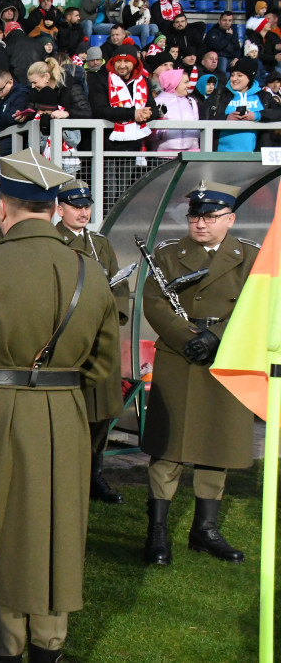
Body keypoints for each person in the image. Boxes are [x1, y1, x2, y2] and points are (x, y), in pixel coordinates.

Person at [0, 149, 119, 662]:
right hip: (65, 415)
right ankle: (49, 645)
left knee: (1, 534)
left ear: (4, 207)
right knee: (55, 532)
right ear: (54, 208)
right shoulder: (90, 271)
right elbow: (103, 368)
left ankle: (6, 649)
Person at [141, 181, 258, 566]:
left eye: (209, 217)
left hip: (225, 355)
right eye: (194, 216)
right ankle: (157, 531)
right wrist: (183, 336)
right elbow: (155, 302)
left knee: (216, 442)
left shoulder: (251, 257)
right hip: (179, 356)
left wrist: (216, 338)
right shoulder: (169, 254)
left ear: (230, 219)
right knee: (168, 445)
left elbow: (259, 307)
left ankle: (205, 530)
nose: (200, 224)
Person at [54, 180, 130, 505]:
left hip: (101, 339)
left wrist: (113, 319)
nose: (83, 211)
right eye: (75, 205)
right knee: (74, 412)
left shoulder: (99, 244)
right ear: (59, 208)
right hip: (69, 342)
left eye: (86, 205)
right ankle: (68, 475)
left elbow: (120, 289)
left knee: (101, 412)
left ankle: (93, 474)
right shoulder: (52, 242)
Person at [90, 43, 159, 152]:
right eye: (118, 61)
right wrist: (133, 113)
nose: (122, 66)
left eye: (126, 61)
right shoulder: (101, 80)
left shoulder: (144, 82)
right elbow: (100, 110)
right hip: (107, 146)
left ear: (134, 62)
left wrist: (146, 114)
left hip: (135, 144)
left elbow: (153, 109)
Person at [209, 58, 278, 151]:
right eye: (232, 75)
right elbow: (204, 116)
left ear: (250, 77)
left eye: (240, 75)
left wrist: (257, 115)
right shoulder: (220, 94)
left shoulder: (263, 96)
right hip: (219, 156)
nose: (234, 79)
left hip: (253, 157)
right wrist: (226, 118)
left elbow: (278, 112)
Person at [151, 69, 200, 151]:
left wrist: (195, 149)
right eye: (185, 82)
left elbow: (197, 128)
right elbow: (151, 132)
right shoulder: (157, 102)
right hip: (164, 156)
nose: (189, 85)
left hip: (190, 155)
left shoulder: (191, 102)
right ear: (174, 83)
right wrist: (163, 134)